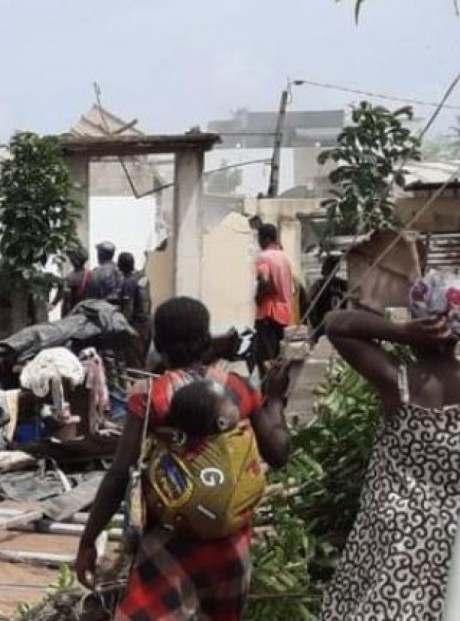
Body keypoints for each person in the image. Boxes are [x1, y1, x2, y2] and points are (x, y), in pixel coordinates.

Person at [75, 296, 292, 621]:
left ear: (158, 342)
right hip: (231, 546)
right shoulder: (239, 389)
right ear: (206, 340)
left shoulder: (149, 395)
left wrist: (89, 540)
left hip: (170, 543)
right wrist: (274, 400)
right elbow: (278, 453)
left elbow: (119, 473)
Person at [318, 275, 460, 620]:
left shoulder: (398, 382)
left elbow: (334, 324)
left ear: (417, 318)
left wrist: (399, 331)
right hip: (452, 534)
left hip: (393, 528)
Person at [253, 223, 296, 377]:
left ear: (265, 239)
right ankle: (280, 392)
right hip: (285, 315)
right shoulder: (285, 258)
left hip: (268, 313)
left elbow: (264, 280)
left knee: (266, 360)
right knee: (280, 358)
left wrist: (258, 296)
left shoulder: (264, 257)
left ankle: (268, 396)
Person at [118, 252, 151, 366]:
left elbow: (128, 308)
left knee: (133, 362)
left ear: (121, 266)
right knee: (141, 360)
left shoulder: (128, 282)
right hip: (147, 324)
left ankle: (136, 383)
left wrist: (123, 327)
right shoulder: (143, 277)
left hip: (135, 326)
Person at [304, 255, 347, 343]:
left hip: (323, 326)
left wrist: (314, 323)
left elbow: (309, 303)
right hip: (341, 326)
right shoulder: (344, 285)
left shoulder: (318, 285)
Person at [56, 245, 90, 314]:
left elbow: (62, 296)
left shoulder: (69, 278)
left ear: (72, 260)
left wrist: (53, 304)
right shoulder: (90, 275)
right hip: (86, 312)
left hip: (72, 314)